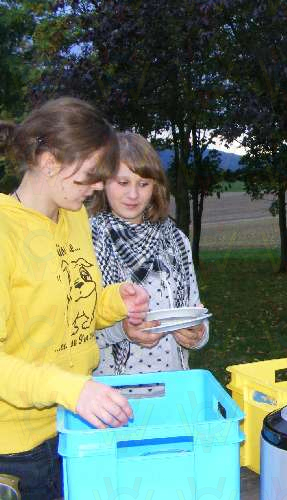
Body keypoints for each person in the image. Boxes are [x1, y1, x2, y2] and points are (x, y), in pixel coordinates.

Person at [0, 97, 149, 500]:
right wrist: (72, 388)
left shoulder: (74, 216)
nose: (98, 187)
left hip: (71, 424)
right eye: (89, 177)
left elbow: (75, 308)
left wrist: (116, 302)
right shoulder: (4, 232)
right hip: (17, 451)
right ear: (49, 163)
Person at [89, 132, 208, 376]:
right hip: (111, 391)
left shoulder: (176, 240)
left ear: (156, 187)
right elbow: (72, 335)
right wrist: (122, 331)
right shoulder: (86, 241)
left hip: (174, 385)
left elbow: (194, 310)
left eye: (143, 184)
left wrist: (199, 334)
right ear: (103, 182)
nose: (133, 195)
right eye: (123, 183)